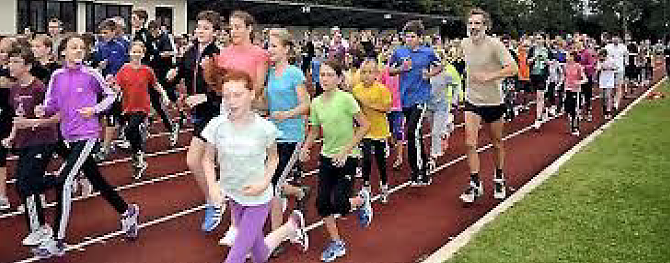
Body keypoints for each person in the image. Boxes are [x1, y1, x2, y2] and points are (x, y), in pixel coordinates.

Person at [31, 34, 139, 258]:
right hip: (67, 136)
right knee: (97, 180)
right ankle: (127, 211)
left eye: (82, 48)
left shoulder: (91, 74)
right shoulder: (56, 76)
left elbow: (111, 96)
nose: (79, 51)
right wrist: (42, 110)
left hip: (88, 135)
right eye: (73, 48)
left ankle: (58, 240)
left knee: (64, 180)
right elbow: (51, 104)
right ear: (63, 52)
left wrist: (95, 109)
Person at [201, 69, 308, 263]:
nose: (231, 101)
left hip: (258, 198)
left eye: (237, 95)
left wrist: (264, 182)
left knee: (236, 257)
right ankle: (290, 227)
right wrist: (212, 187)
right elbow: (207, 159)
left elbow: (273, 158)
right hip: (234, 195)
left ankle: (289, 227)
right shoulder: (216, 125)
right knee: (259, 254)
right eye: (227, 96)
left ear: (251, 94)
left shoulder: (265, 129)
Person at [299, 60, 373, 262]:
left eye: (330, 75)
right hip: (326, 157)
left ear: (339, 78)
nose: (325, 79)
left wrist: (345, 151)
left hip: (348, 157)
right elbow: (315, 130)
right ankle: (337, 242)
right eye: (322, 75)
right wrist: (306, 147)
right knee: (322, 203)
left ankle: (360, 200)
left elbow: (365, 126)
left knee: (340, 202)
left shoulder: (347, 99)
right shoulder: (316, 103)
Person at [211, 10, 269, 244]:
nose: (233, 31)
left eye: (237, 27)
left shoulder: (260, 54)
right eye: (231, 27)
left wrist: (243, 103)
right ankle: (236, 224)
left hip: (249, 112)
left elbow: (259, 85)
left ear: (249, 29)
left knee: (251, 166)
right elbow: (219, 84)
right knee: (229, 168)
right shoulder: (223, 54)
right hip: (228, 110)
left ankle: (254, 220)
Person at [166, 10, 223, 233]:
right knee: (207, 162)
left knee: (196, 161)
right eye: (198, 27)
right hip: (199, 115)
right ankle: (214, 199)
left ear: (215, 33)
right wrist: (172, 75)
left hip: (216, 114)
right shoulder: (190, 53)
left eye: (206, 28)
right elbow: (180, 72)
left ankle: (214, 200)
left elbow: (223, 90)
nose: (200, 31)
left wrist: (205, 97)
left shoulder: (217, 56)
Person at [459, 8, 518, 204]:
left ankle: (499, 177)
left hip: (493, 101)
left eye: (477, 23)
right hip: (472, 100)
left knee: (497, 142)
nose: (473, 27)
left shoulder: (495, 45)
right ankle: (475, 183)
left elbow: (513, 68)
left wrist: (489, 77)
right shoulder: (464, 43)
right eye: (470, 23)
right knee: (469, 143)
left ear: (486, 26)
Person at [2, 43, 59, 247]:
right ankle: (60, 181)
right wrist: (11, 136)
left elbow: (55, 116)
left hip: (43, 140)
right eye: (10, 62)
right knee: (26, 183)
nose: (10, 66)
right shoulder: (14, 89)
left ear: (27, 66)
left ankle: (40, 228)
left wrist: (37, 120)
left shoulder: (39, 88)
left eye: (16, 62)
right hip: (25, 141)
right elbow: (18, 118)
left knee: (24, 184)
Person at [264, 28, 312, 257]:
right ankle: (299, 192)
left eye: (274, 46)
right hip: (272, 135)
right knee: (269, 181)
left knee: (273, 185)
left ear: (286, 49)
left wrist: (287, 114)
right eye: (268, 45)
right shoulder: (270, 73)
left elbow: (306, 105)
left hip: (292, 136)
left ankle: (276, 237)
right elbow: (267, 105)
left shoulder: (294, 73)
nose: (269, 50)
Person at [389, 20, 442, 187]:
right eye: (406, 36)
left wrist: (430, 74)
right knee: (414, 135)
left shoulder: (428, 52)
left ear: (420, 38)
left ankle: (418, 171)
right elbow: (390, 70)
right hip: (405, 99)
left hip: (421, 97)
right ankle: (423, 169)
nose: (409, 39)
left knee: (412, 131)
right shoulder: (399, 52)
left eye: (412, 36)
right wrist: (401, 69)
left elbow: (440, 66)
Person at [115, 41, 170, 179]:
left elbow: (156, 85)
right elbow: (117, 86)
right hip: (127, 106)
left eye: (139, 52)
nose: (136, 54)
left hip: (142, 106)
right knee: (132, 132)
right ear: (129, 53)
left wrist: (164, 95)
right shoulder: (123, 69)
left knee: (129, 130)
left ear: (143, 54)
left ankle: (138, 150)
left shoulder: (147, 70)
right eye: (134, 51)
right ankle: (138, 156)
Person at [353, 60, 392, 202]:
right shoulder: (356, 89)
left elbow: (387, 108)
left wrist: (369, 104)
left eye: (370, 72)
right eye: (363, 72)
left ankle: (384, 185)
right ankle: (366, 185)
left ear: (376, 74)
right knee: (366, 158)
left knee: (381, 160)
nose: (366, 75)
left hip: (380, 130)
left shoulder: (382, 90)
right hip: (364, 131)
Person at [528, 33, 550, 130]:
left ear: (544, 40)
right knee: (536, 96)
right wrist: (535, 57)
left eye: (540, 38)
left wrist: (545, 59)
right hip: (533, 75)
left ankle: (538, 118)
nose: (538, 40)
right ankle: (543, 111)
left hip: (542, 75)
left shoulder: (547, 50)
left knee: (540, 96)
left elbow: (551, 63)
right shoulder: (532, 50)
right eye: (536, 38)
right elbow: (527, 62)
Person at [563, 51, 588, 135]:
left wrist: (578, 82)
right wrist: (559, 85)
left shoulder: (578, 66)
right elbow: (564, 76)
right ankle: (572, 120)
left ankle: (575, 128)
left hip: (576, 91)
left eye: (568, 56)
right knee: (567, 108)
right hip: (567, 89)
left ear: (573, 57)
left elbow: (585, 79)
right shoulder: (565, 66)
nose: (566, 57)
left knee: (574, 110)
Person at [604, 35, 628, 111]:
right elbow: (603, 56)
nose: (615, 39)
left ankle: (616, 102)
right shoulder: (607, 47)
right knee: (610, 88)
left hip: (620, 70)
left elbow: (626, 55)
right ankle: (609, 103)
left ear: (619, 39)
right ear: (612, 39)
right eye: (614, 38)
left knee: (618, 87)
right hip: (610, 70)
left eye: (617, 38)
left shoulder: (623, 47)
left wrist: (626, 63)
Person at [597, 49, 619, 120]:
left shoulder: (611, 60)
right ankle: (604, 109)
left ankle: (608, 112)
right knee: (602, 97)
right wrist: (601, 68)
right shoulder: (600, 61)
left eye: (601, 56)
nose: (600, 58)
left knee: (607, 96)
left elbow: (616, 67)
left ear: (604, 55)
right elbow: (598, 69)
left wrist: (610, 68)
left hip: (609, 80)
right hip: (602, 80)